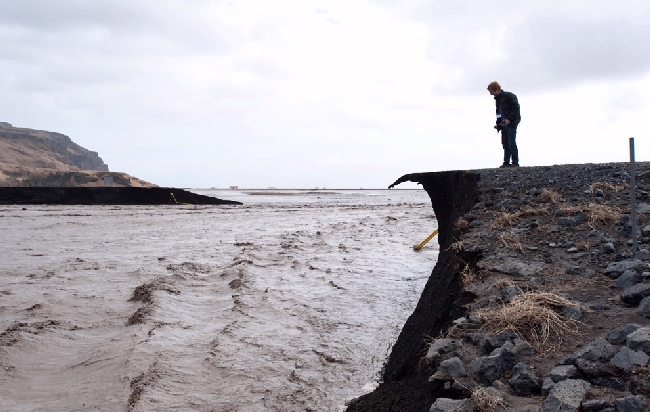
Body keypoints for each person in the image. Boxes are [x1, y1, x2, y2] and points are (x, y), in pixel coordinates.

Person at [487, 81, 521, 168]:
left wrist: (509, 119)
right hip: (503, 124)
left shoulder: (509, 96)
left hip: (512, 123)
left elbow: (516, 109)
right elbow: (498, 113)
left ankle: (515, 162)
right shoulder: (497, 100)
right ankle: (506, 162)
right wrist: (498, 124)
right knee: (505, 143)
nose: (491, 94)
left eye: (491, 92)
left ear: (496, 89)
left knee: (511, 142)